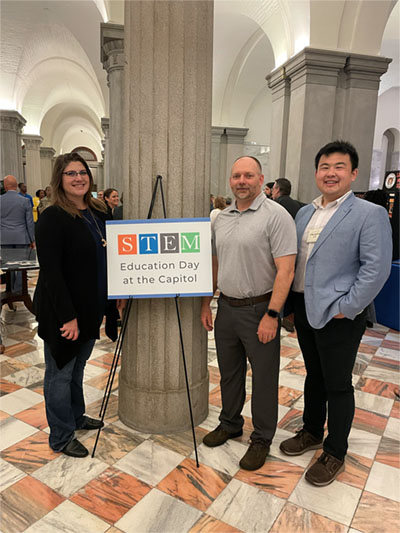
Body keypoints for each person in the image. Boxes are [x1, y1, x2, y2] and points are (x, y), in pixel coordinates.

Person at [280, 140, 392, 486]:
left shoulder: (368, 213)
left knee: (338, 384)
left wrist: (347, 307)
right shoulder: (304, 212)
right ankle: (312, 430)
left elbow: (376, 269)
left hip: (340, 315)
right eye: (325, 167)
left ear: (353, 173)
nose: (331, 173)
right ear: (316, 173)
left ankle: (334, 451)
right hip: (303, 308)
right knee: (314, 375)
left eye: (339, 167)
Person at [201, 156, 297, 471]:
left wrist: (272, 314)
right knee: (229, 372)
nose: (242, 181)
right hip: (226, 306)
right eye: (236, 176)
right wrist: (207, 302)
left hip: (260, 308)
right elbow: (216, 264)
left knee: (265, 377)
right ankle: (230, 422)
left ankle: (261, 438)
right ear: (230, 181)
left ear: (261, 178)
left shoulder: (276, 216)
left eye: (248, 175)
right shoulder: (222, 218)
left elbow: (286, 270)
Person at [33, 152, 122, 458]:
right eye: (70, 173)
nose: (78, 178)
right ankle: (60, 435)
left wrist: (111, 307)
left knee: (77, 369)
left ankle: (76, 416)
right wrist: (67, 317)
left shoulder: (98, 213)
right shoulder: (52, 217)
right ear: (60, 178)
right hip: (63, 313)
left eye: (82, 172)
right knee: (59, 374)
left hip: (90, 309)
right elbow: (52, 274)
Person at [0, 175, 35, 292]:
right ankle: (19, 290)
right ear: (16, 186)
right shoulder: (25, 201)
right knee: (21, 265)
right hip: (21, 237)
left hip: (4, 238)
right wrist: (32, 240)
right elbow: (29, 223)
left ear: (5, 186)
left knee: (7, 265)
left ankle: (9, 289)